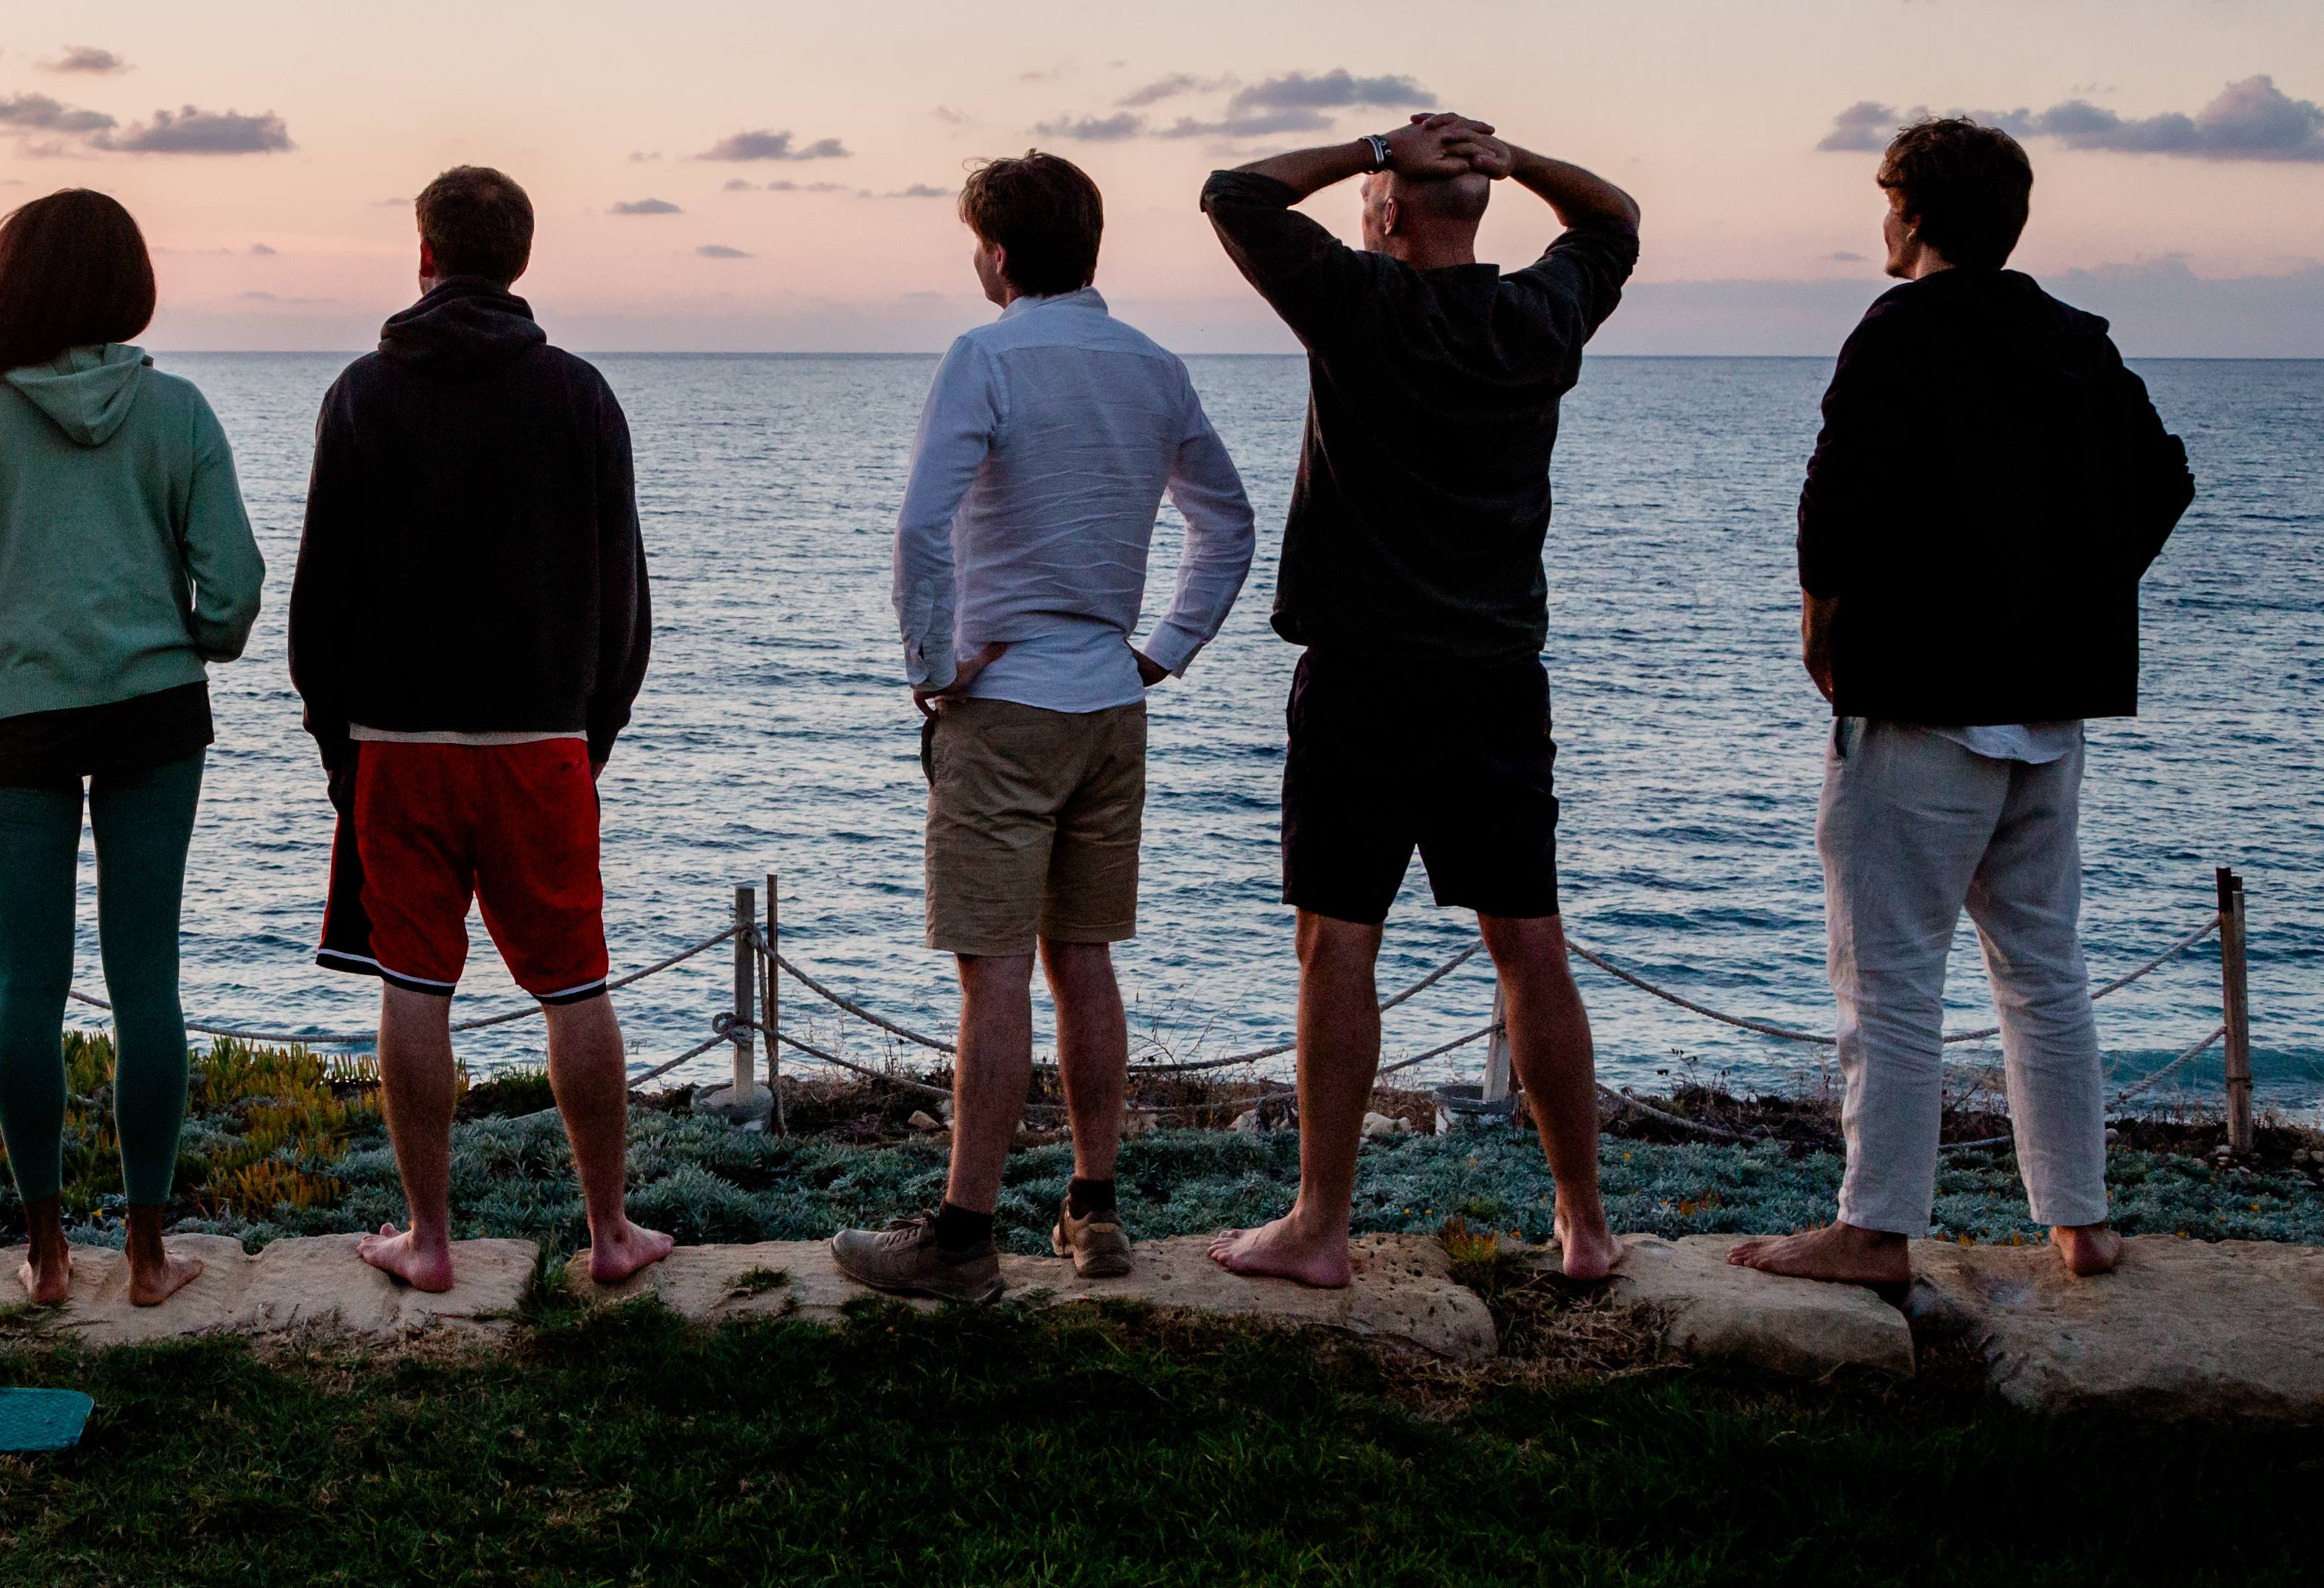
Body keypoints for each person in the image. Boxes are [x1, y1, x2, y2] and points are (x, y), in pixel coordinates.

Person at [1735, 118, 2191, 1290]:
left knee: (1889, 978)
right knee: (2045, 969)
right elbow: (2165, 476)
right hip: (2047, 711)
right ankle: (2081, 1222)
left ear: (1918, 216)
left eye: (1889, 202)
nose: (1882, 224)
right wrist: (2068, 596)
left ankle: (1875, 1229)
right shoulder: (2076, 338)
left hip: (1920, 712)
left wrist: (1827, 636)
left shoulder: (1898, 330)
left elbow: (1833, 514)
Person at [1198, 111, 1641, 1287]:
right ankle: (1586, 1223)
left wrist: (1370, 148)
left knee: (1337, 940)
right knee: (1529, 944)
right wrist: (1516, 160)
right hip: (1496, 677)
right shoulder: (1537, 315)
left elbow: (1234, 193)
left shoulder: (1360, 302)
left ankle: (1320, 1224)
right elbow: (1615, 218)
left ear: (1390, 214)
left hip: (1363, 675)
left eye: (1371, 203)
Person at [832, 153, 1255, 1299]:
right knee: (1085, 958)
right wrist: (1162, 648)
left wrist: (931, 664)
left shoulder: (985, 357)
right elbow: (1227, 523)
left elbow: (919, 527)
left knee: (995, 974)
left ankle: (964, 1238)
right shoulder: (1154, 367)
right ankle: (1094, 1211)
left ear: (1001, 255)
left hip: (1007, 705)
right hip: (1111, 705)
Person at [290, 165, 673, 1294]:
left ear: (424, 256)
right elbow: (626, 601)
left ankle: (429, 1240)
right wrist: (590, 735)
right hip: (541, 741)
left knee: (413, 982)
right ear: (520, 260)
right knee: (576, 983)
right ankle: (610, 1231)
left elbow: (319, 603)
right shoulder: (582, 395)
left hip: (397, 743)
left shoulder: (362, 394)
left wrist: (339, 743)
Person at [0, 188, 262, 1308]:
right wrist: (185, 638)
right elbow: (236, 592)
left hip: (15, 717)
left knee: (30, 980)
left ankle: (50, 1253)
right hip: (154, 707)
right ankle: (149, 1256)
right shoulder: (180, 411)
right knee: (145, 976)